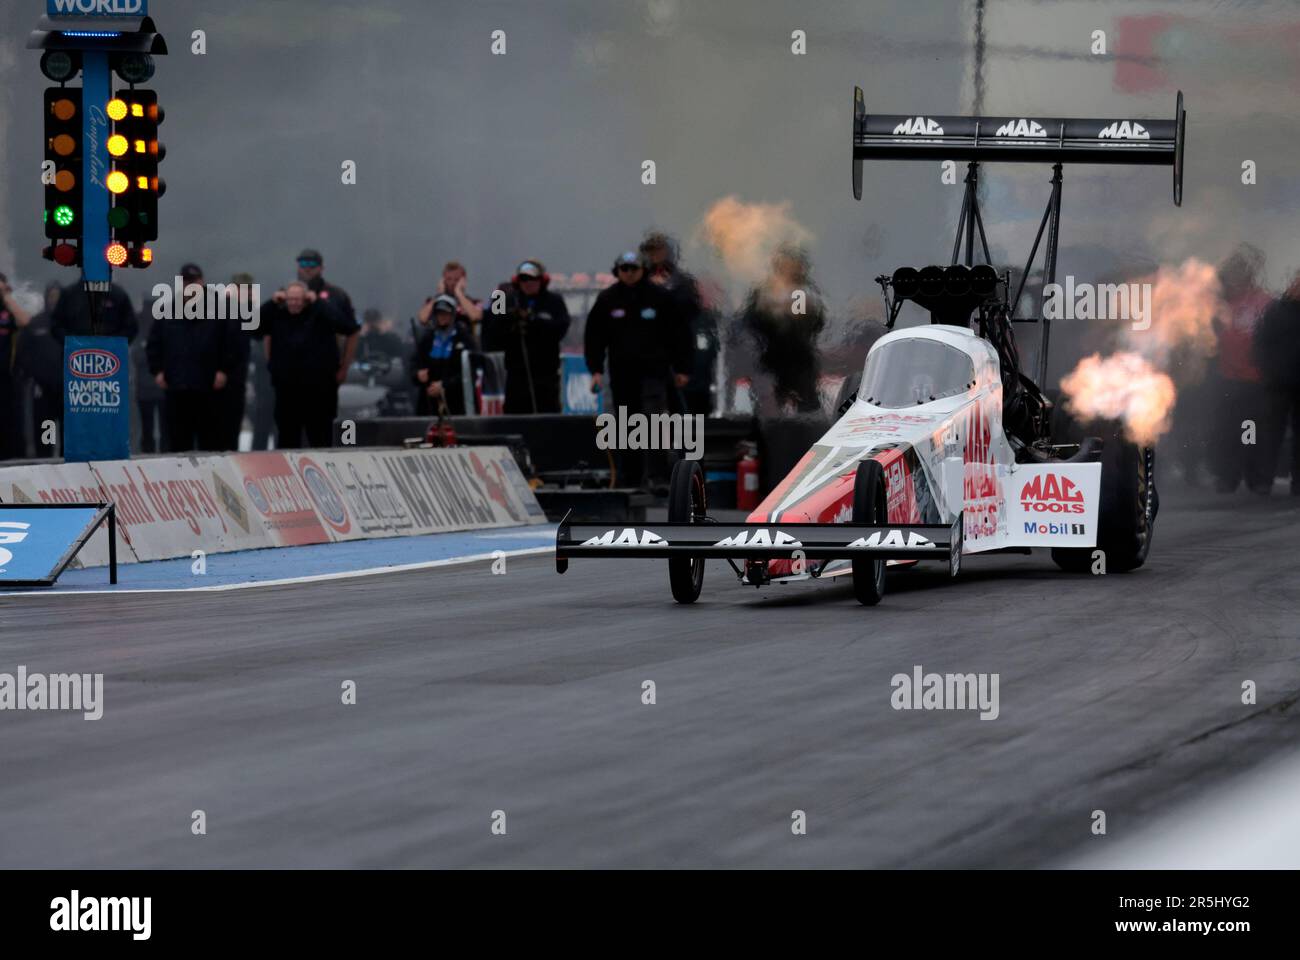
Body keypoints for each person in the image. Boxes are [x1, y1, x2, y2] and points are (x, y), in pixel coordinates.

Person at [584, 251, 692, 488]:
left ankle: (657, 476)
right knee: (625, 423)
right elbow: (594, 337)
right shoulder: (607, 299)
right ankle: (629, 476)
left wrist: (682, 368)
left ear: (642, 270)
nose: (630, 273)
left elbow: (679, 335)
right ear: (618, 271)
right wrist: (595, 370)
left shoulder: (660, 297)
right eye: (625, 269)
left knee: (653, 422)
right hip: (622, 374)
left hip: (654, 372)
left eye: (634, 268)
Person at [145, 263, 239, 452]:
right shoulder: (166, 309)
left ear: (202, 282)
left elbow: (231, 344)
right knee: (178, 443)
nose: (190, 286)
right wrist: (157, 371)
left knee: (210, 442)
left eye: (194, 281)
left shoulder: (220, 309)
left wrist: (223, 370)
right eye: (186, 282)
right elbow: (154, 344)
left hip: (209, 388)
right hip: (177, 387)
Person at [734, 244, 827, 414]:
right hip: (772, 358)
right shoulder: (764, 291)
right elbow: (750, 321)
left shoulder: (804, 292)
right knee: (768, 407)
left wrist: (788, 314)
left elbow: (811, 323)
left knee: (806, 405)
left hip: (800, 359)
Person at [1211, 245, 1274, 494]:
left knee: (1252, 431)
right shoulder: (1221, 305)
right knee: (1228, 432)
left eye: (1239, 271)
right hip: (1228, 379)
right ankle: (1228, 477)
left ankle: (1257, 478)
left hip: (1256, 381)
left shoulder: (1264, 303)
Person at [262, 280, 354, 448]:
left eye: (298, 299)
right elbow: (251, 327)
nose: (294, 303)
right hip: (287, 389)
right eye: (290, 299)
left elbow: (347, 326)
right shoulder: (277, 314)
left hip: (319, 389)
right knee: (287, 438)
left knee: (320, 436)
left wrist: (319, 302)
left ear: (306, 299)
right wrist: (271, 303)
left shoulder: (320, 313)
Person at [641, 231, 714, 415]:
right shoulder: (639, 280)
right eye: (652, 251)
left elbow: (691, 311)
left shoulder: (683, 283)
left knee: (681, 406)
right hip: (648, 354)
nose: (655, 256)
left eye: (659, 251)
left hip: (676, 351)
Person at [484, 260, 571, 413]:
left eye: (532, 279)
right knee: (515, 419)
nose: (528, 283)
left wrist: (533, 320)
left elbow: (560, 329)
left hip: (546, 374)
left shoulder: (554, 301)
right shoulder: (506, 300)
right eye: (524, 279)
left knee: (547, 419)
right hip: (517, 375)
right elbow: (493, 332)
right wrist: (511, 319)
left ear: (541, 280)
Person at [1253, 269, 1300, 495]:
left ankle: (1297, 483)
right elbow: (1260, 341)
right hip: (1278, 382)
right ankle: (1264, 480)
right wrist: (1268, 370)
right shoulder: (1276, 310)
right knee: (1271, 434)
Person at [294, 248, 359, 381]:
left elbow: (352, 332)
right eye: (304, 264)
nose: (308, 268)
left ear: (321, 268)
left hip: (326, 366)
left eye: (312, 265)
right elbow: (267, 334)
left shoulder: (337, 295)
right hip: (292, 368)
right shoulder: (286, 295)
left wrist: (345, 367)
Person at [15, 282, 64, 458]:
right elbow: (23, 353)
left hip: (68, 389)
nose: (54, 301)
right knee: (46, 432)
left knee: (69, 433)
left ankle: (70, 466)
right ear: (46, 299)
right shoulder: (36, 323)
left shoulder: (71, 324)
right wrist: (31, 375)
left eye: (58, 297)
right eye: (51, 297)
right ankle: (46, 462)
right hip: (42, 391)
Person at [412, 294, 477, 416]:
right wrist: (418, 374)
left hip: (456, 403)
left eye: (445, 313)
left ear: (453, 314)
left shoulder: (463, 338)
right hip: (429, 403)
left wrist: (444, 385)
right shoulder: (428, 338)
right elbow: (414, 363)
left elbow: (470, 371)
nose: (442, 317)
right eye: (439, 313)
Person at [0, 273, 33, 460]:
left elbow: (24, 321)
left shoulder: (9, 310)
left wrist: (6, 296)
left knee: (10, 421)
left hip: (8, 376)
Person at [50, 279, 138, 343]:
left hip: (111, 355)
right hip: (76, 354)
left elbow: (131, 327)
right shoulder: (69, 294)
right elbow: (56, 325)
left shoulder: (118, 295)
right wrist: (72, 342)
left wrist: (112, 343)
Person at [419, 260, 483, 340]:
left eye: (456, 280)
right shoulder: (433, 301)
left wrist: (459, 293)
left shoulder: (475, 302)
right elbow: (422, 318)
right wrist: (439, 295)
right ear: (443, 280)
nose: (452, 283)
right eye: (449, 279)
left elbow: (476, 317)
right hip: (438, 346)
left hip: (464, 345)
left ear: (463, 281)